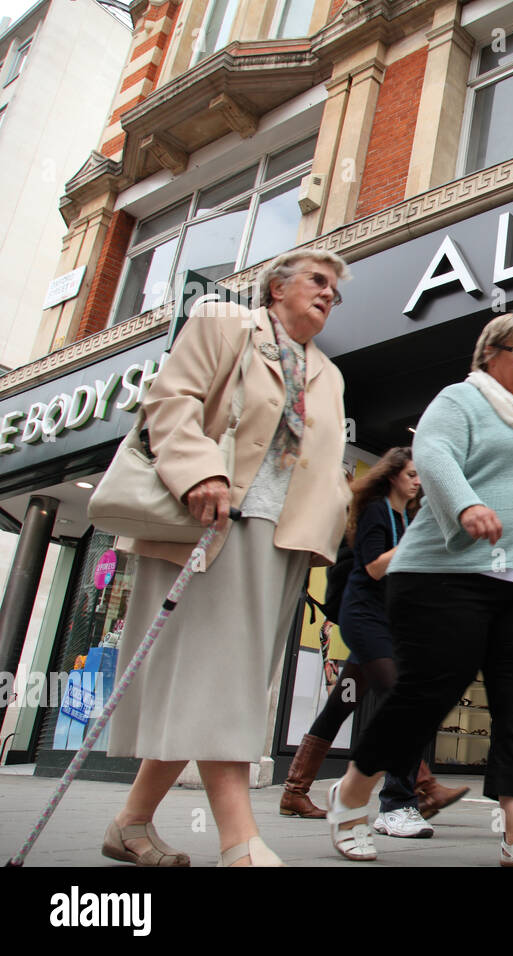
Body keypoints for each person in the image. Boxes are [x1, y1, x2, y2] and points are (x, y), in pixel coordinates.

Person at [103, 249, 353, 867]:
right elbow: (173, 400)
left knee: (222, 683)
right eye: (318, 282)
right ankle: (239, 841)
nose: (329, 295)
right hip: (212, 522)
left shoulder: (328, 373)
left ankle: (130, 825)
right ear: (276, 287)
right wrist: (197, 473)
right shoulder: (223, 322)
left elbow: (324, 468)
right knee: (225, 683)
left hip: (282, 541)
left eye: (336, 292)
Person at [324, 311, 513, 866]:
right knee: (427, 696)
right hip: (445, 577)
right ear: (489, 354)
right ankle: (351, 794)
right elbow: (435, 454)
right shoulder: (461, 400)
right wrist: (467, 504)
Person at [279, 447, 470, 833]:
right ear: (392, 475)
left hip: (382, 625)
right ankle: (420, 786)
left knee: (342, 703)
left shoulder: (403, 515)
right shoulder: (375, 511)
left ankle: (294, 790)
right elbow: (373, 567)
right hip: (367, 623)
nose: (418, 481)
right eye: (412, 474)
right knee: (399, 701)